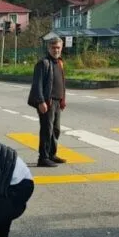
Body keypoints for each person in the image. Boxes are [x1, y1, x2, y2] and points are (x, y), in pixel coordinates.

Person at [28, 37, 67, 168]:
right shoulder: (43, 63)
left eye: (58, 47)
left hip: (57, 101)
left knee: (56, 130)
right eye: (53, 47)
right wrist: (40, 101)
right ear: (48, 48)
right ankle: (43, 157)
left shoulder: (60, 63)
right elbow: (37, 84)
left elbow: (61, 82)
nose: (56, 50)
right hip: (47, 102)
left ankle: (51, 154)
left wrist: (63, 99)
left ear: (61, 48)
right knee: (47, 129)